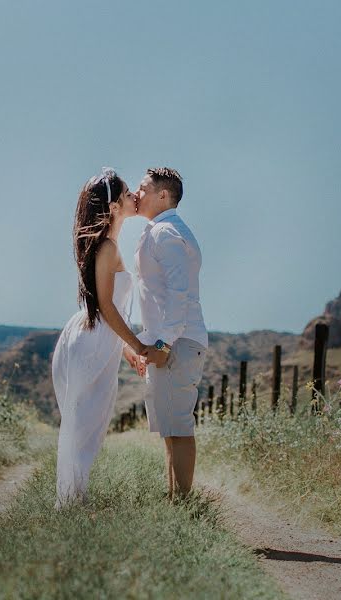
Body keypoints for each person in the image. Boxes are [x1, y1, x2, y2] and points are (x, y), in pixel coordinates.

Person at [51, 168, 148, 508]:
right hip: (91, 343)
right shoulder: (106, 247)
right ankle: (71, 504)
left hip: (97, 341)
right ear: (114, 207)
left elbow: (109, 310)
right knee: (84, 425)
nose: (133, 196)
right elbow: (107, 307)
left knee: (88, 425)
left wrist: (126, 353)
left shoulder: (109, 245)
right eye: (126, 195)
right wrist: (138, 345)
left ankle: (74, 499)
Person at [134, 167, 208, 501]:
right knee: (169, 427)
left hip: (176, 341)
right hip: (168, 339)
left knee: (178, 425)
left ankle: (184, 504)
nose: (137, 194)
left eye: (143, 188)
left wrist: (162, 343)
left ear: (163, 195)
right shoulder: (162, 230)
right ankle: (174, 500)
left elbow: (180, 293)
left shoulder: (165, 233)